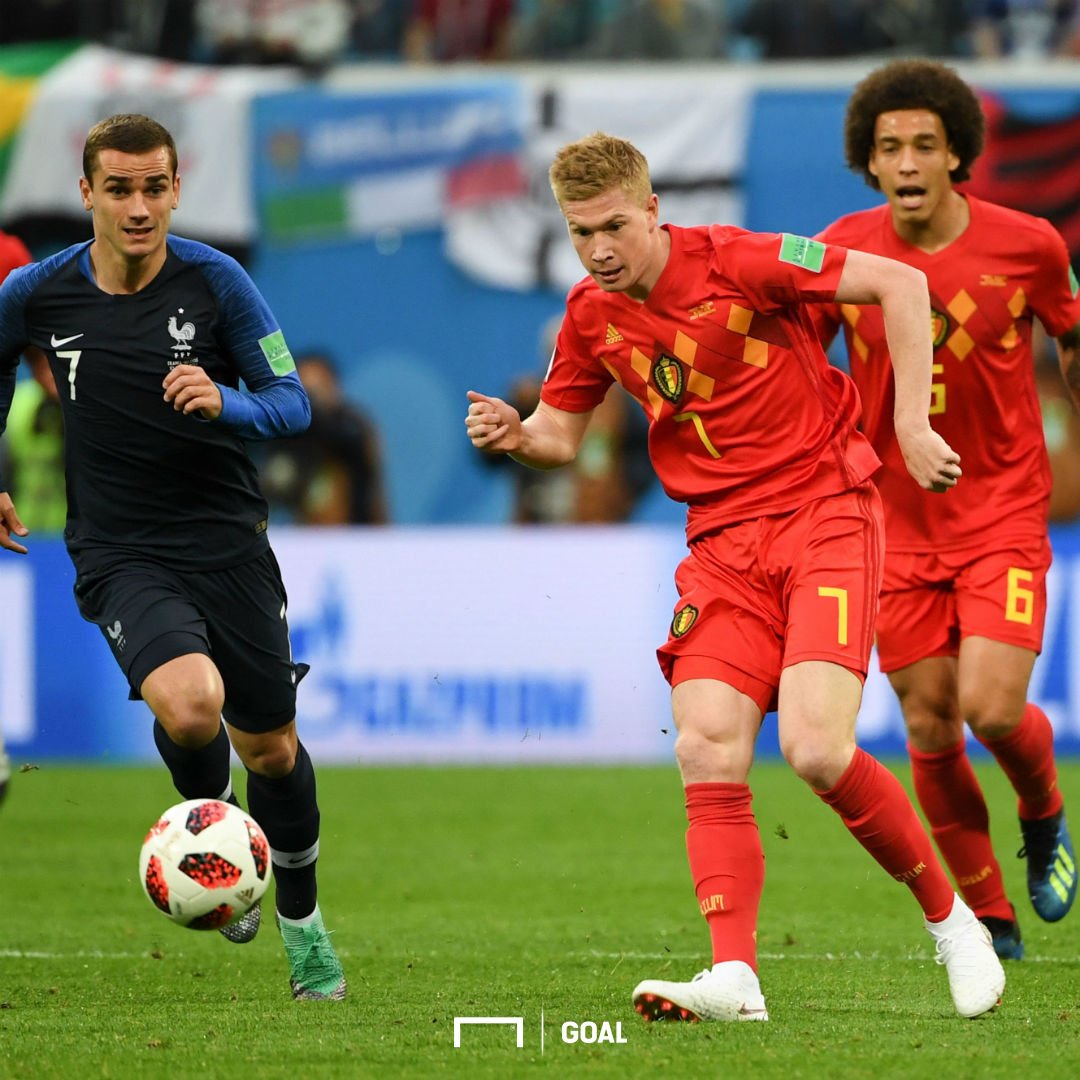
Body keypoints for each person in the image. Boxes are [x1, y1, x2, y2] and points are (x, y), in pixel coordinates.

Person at [465, 131, 1005, 1021]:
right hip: (720, 543)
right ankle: (735, 976)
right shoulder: (590, 315)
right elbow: (558, 435)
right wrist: (517, 435)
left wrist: (911, 425)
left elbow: (900, 284)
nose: (599, 249)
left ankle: (955, 927)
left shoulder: (741, 261)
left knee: (816, 749)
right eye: (579, 232)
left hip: (825, 511)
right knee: (705, 744)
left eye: (613, 227)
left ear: (652, 211)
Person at [0, 114, 346, 1000]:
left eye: (154, 187)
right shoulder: (37, 293)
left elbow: (291, 403)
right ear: (87, 193)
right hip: (119, 550)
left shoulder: (217, 281)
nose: (138, 207)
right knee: (193, 710)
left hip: (229, 545)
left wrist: (227, 401)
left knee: (271, 749)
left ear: (176, 190)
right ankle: (216, 836)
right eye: (119, 188)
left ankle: (304, 929)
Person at [815, 60, 1080, 961]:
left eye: (924, 144)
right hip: (893, 527)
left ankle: (1044, 810)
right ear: (868, 161)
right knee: (929, 723)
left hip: (1001, 510)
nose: (907, 161)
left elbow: (1071, 335)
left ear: (958, 152)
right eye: (889, 146)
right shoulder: (844, 251)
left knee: (992, 708)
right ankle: (992, 917)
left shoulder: (1030, 246)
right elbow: (799, 355)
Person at [258, 352, 389, 525]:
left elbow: (373, 489)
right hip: (298, 533)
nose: (312, 402)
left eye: (318, 389)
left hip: (354, 530)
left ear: (334, 388)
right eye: (305, 391)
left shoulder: (354, 427)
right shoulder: (282, 431)